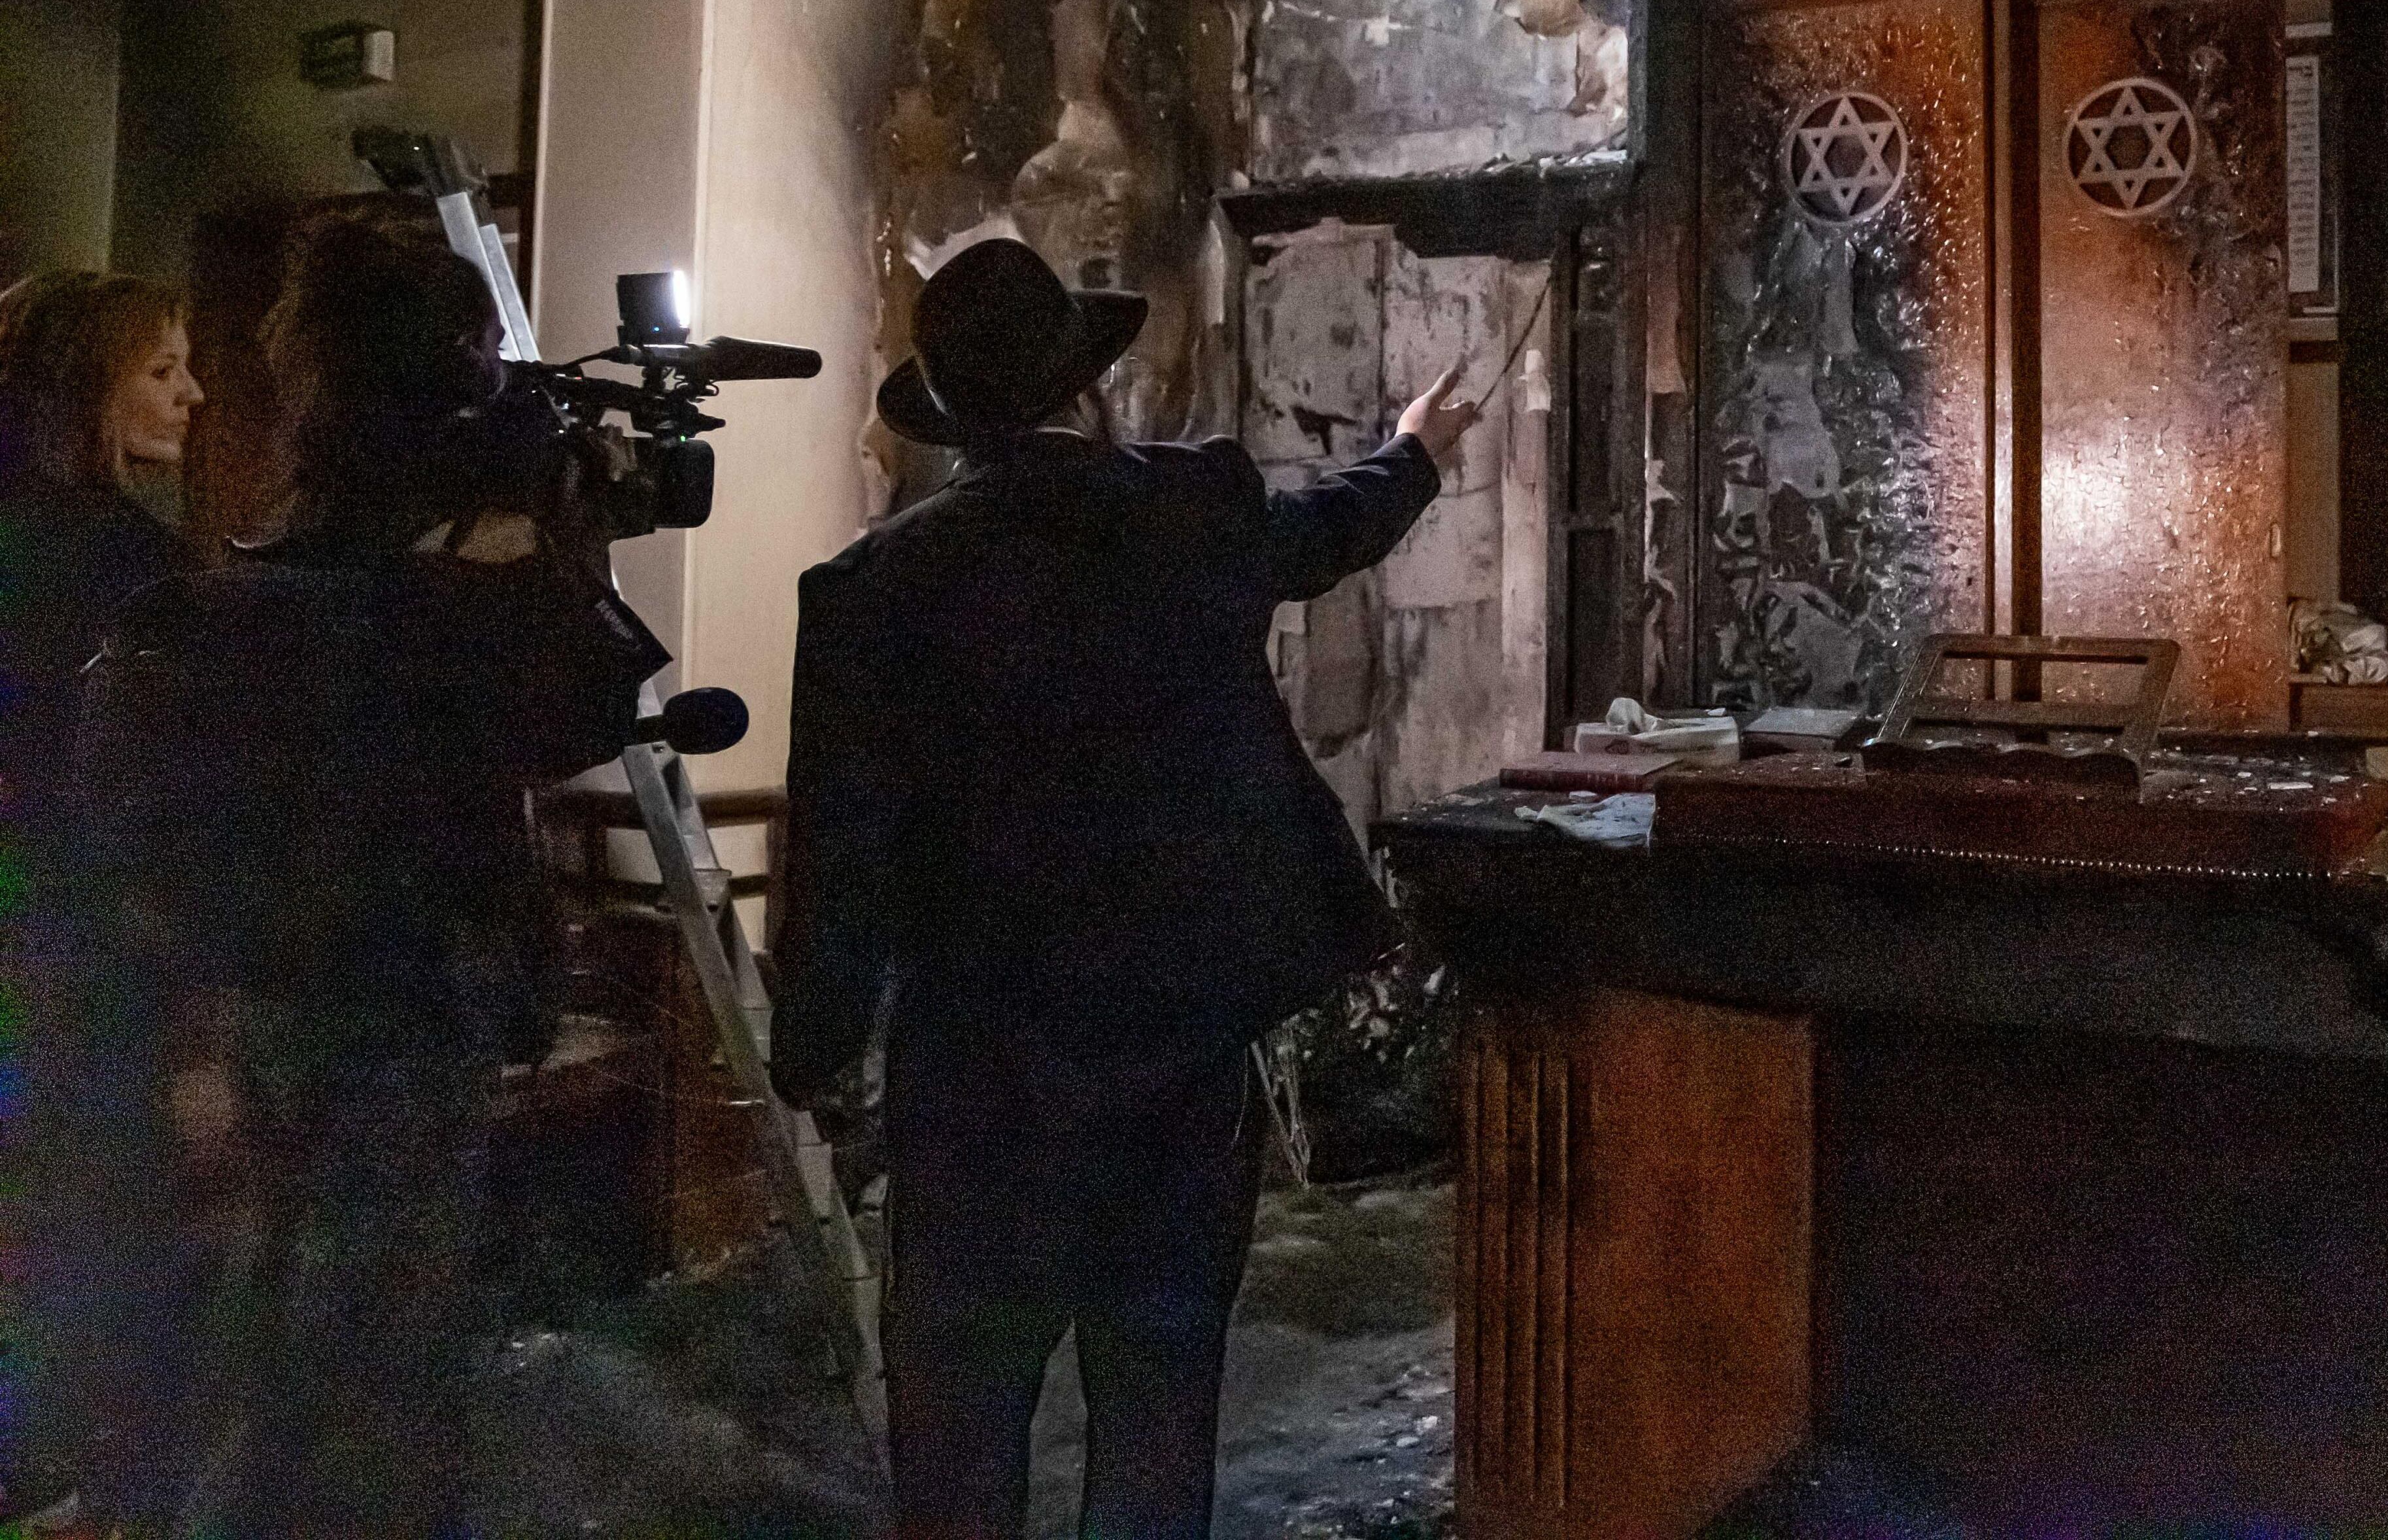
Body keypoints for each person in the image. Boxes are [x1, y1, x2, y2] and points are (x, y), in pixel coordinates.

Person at [771, 236, 1482, 1539]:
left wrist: (811, 1049)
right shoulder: (1190, 509)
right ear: (1085, 386)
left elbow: (841, 852)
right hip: (1173, 1069)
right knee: (1157, 1426)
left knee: (959, 1438)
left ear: (958, 419)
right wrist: (1417, 445)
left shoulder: (873, 590)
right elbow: (1329, 525)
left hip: (977, 1082)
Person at [72, 215, 658, 1537]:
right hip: (393, 987)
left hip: (268, 991)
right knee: (367, 1368)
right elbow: (579, 699)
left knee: (274, 1349)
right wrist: (540, 533)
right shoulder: (419, 589)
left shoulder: (296, 575)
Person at [0, 270, 202, 1522]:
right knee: (100, 1229)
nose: (194, 392)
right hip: (88, 943)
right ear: (88, 389)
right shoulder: (127, 561)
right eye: (161, 369)